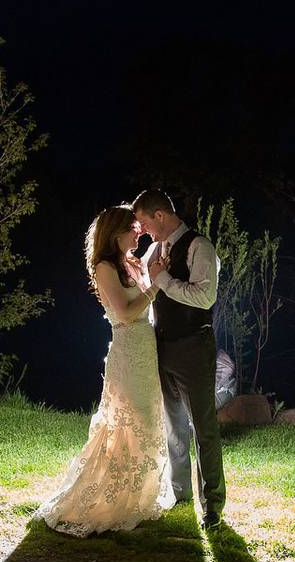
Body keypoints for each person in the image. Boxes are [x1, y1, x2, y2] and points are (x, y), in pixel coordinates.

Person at [35, 205, 175, 537]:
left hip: (146, 350)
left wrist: (150, 275)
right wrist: (157, 285)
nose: (139, 231)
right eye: (133, 227)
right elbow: (126, 313)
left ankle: (139, 497)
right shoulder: (104, 267)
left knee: (148, 419)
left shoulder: (133, 263)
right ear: (115, 233)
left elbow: (145, 307)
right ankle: (112, 499)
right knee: (129, 421)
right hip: (127, 352)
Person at [133, 189, 225, 530]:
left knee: (204, 427)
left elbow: (204, 297)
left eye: (144, 222)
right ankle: (180, 493)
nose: (142, 231)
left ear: (160, 216)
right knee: (172, 425)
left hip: (194, 347)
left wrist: (164, 281)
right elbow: (148, 292)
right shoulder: (153, 252)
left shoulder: (200, 246)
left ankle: (212, 505)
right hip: (161, 346)